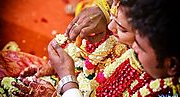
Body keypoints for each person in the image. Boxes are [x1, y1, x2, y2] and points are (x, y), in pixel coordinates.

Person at [11, 0, 180, 96]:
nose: (132, 47)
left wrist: (67, 81)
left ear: (172, 65)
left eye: (139, 45)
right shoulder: (145, 53)